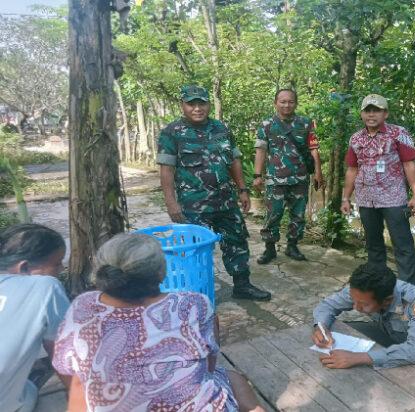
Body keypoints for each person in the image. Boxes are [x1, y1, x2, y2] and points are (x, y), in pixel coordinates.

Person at [52, 233, 266, 412]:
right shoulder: (193, 304)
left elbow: (67, 370)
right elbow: (209, 365)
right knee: (233, 378)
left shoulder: (82, 307)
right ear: (161, 273)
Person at [157, 85, 270, 301]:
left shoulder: (221, 129)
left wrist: (243, 190)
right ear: (182, 105)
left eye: (202, 103)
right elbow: (167, 170)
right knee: (196, 250)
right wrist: (171, 203)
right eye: (191, 104)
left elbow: (234, 160)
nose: (197, 108)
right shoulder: (171, 133)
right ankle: (196, 293)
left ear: (208, 104)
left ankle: (242, 285)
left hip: (226, 201)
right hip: (193, 206)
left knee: (237, 241)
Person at [311, 263, 415, 379]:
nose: (355, 307)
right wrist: (321, 327)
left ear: (387, 300)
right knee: (341, 331)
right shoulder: (361, 289)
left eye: (363, 305)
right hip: (393, 337)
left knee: (398, 378)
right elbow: (327, 306)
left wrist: (359, 358)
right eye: (353, 300)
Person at [341, 94, 415, 285]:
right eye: (367, 110)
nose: (371, 115)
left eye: (376, 110)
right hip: (366, 199)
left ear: (385, 113)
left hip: (393, 198)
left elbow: (409, 165)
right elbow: (352, 169)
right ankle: (379, 288)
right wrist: (346, 198)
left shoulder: (398, 133)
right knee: (373, 246)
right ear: (361, 114)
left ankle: (408, 290)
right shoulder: (356, 139)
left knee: (403, 246)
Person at [0, 224, 71, 412]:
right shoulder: (46, 286)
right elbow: (61, 352)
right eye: (57, 263)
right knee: (30, 388)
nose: (62, 268)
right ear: (24, 268)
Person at [252, 89, 325, 263]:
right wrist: (257, 175)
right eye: (282, 101)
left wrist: (318, 172)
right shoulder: (266, 124)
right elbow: (260, 150)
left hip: (299, 178)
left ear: (296, 103)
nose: (286, 105)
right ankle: (269, 248)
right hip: (275, 179)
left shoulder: (306, 123)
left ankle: (292, 246)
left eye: (290, 101)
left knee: (298, 215)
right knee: (273, 214)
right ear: (275, 103)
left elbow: (313, 149)